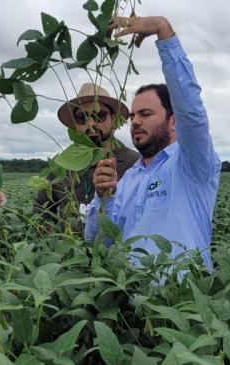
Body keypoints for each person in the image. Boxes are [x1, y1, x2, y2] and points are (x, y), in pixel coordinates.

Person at [85, 16, 221, 268]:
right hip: (131, 301)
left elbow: (192, 112)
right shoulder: (128, 179)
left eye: (146, 114)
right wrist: (103, 198)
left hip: (181, 302)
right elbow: (101, 244)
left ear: (174, 120)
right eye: (133, 116)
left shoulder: (191, 165)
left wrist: (164, 34)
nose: (135, 121)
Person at [34, 83, 139, 232]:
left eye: (99, 115)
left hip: (119, 254)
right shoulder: (62, 166)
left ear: (113, 119)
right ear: (75, 125)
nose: (91, 124)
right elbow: (41, 213)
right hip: (73, 253)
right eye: (82, 118)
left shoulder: (136, 164)